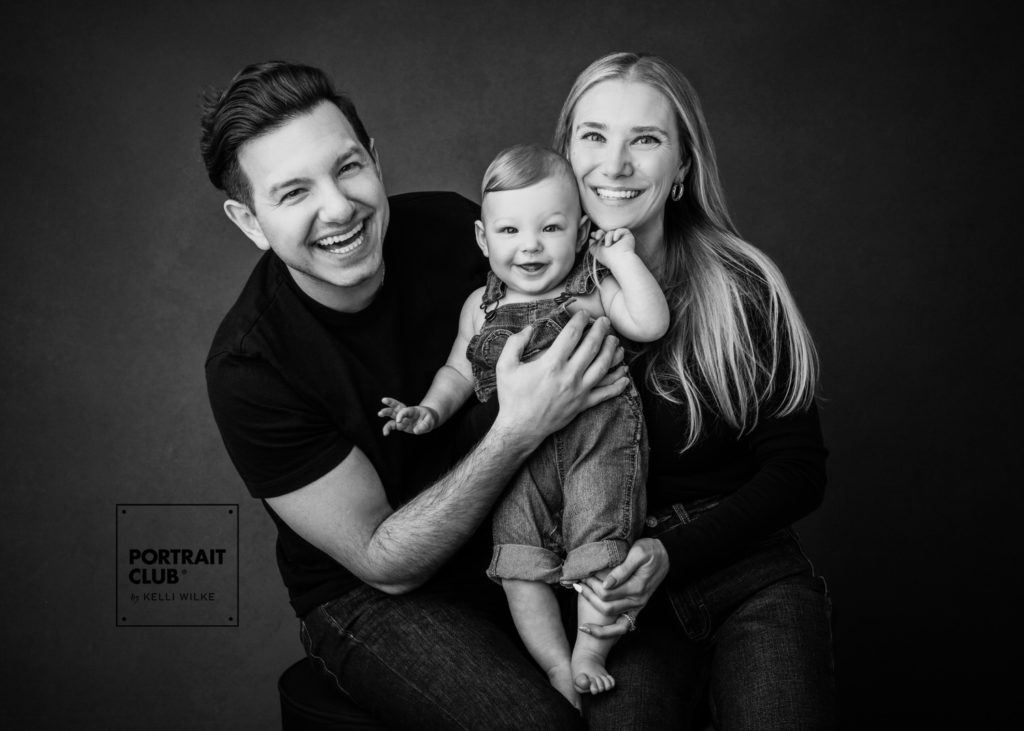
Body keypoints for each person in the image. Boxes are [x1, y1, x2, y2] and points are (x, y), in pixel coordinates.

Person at [201, 61, 629, 730]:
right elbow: (383, 560)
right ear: (249, 220)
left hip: (524, 534)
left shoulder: (451, 227)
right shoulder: (250, 366)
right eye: (292, 193)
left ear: (374, 160)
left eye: (347, 168)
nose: (339, 207)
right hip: (375, 599)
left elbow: (585, 288)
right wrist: (519, 425)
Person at [552, 52, 838, 729]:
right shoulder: (535, 288)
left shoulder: (740, 283)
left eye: (645, 140)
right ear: (565, 150)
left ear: (682, 167)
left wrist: (673, 552)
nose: (615, 165)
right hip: (620, 599)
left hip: (751, 570)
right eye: (593, 136)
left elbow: (799, 472)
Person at [377, 143, 668, 706]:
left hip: (597, 445)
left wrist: (623, 260)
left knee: (601, 546)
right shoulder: (478, 308)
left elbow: (651, 323)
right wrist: (430, 411)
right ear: (484, 239)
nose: (529, 246)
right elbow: (458, 370)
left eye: (550, 228)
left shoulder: (592, 293)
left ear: (582, 233)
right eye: (509, 232)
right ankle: (556, 665)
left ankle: (589, 651)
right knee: (518, 562)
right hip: (515, 462)